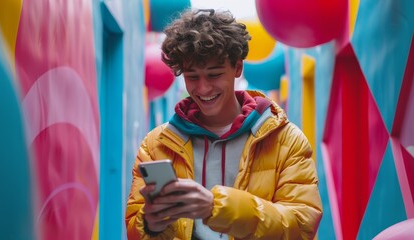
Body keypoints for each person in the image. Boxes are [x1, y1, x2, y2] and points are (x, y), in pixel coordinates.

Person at [126, 8, 323, 240]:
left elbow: (301, 227)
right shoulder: (155, 145)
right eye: (192, 77)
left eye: (214, 74)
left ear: (237, 68)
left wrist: (217, 208)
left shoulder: (286, 140)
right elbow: (135, 230)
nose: (203, 88)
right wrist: (151, 224)